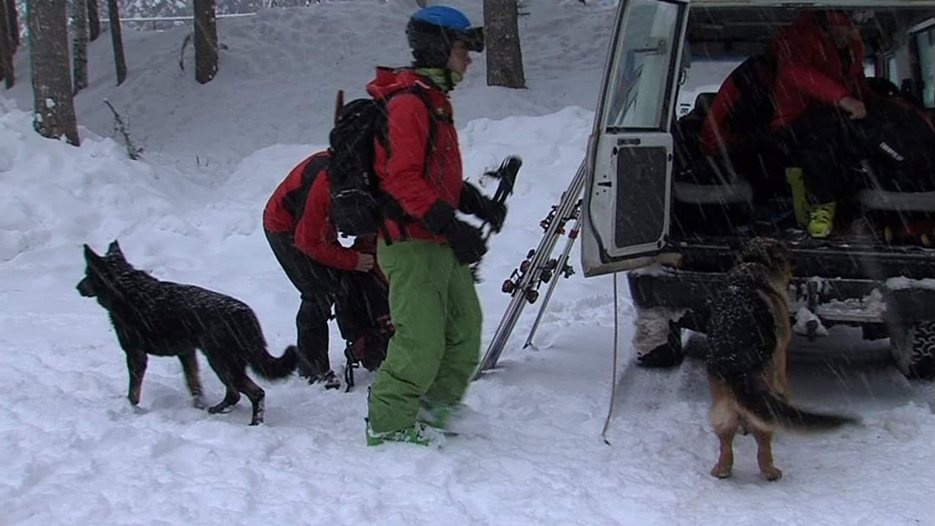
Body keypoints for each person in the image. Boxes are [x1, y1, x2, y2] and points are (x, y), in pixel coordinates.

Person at [363, 6, 505, 446]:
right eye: (464, 48)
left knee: (464, 331)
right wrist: (452, 223)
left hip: (436, 238)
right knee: (421, 340)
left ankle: (435, 409)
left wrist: (473, 202)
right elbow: (401, 179)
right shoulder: (408, 103)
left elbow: (432, 174)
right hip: (410, 242)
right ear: (440, 47)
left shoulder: (433, 100)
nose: (469, 58)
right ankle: (388, 425)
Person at [263, 151, 377, 390]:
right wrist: (353, 260)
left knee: (348, 282)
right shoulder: (324, 186)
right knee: (317, 293)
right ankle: (312, 366)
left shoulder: (366, 176)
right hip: (285, 227)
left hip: (319, 226)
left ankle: (364, 343)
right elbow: (308, 242)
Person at [768, 10, 879, 238]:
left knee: (863, 141)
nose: (855, 32)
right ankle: (821, 208)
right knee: (820, 138)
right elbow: (795, 72)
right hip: (793, 124)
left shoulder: (851, 48)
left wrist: (875, 105)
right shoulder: (799, 37)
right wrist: (842, 98)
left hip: (834, 122)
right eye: (851, 25)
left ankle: (862, 215)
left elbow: (857, 81)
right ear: (833, 22)